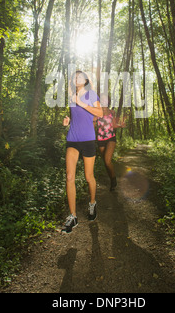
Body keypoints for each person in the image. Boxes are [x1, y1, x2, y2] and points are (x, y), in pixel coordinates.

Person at [62, 71, 103, 234]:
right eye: (74, 76)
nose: (76, 78)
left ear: (85, 80)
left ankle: (92, 203)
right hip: (72, 138)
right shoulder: (72, 95)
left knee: (88, 176)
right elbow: (79, 118)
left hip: (87, 139)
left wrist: (81, 102)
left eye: (80, 76)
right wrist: (68, 121)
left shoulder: (91, 94)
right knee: (70, 176)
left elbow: (99, 114)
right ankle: (73, 216)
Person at [94, 94, 126, 191]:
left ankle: (113, 180)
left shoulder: (112, 112)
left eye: (106, 99)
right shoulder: (97, 112)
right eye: (102, 99)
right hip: (100, 140)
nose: (104, 100)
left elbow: (114, 125)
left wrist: (121, 125)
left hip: (111, 138)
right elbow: (92, 125)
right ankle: (112, 178)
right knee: (106, 162)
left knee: (107, 160)